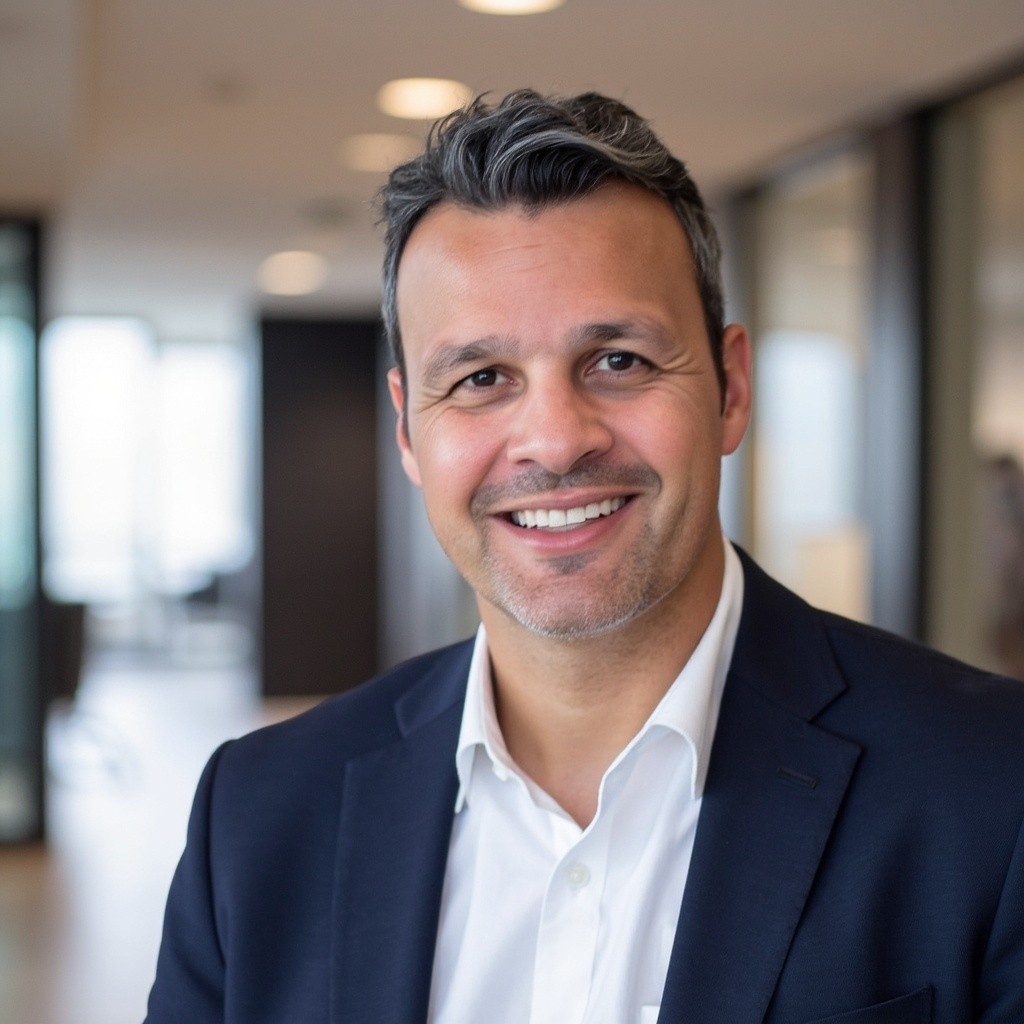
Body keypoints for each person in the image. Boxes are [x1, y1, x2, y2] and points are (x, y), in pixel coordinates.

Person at [144, 91, 1024, 1024]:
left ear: (730, 389)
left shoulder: (993, 789)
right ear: (407, 429)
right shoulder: (257, 816)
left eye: (619, 360)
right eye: (482, 378)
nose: (557, 441)